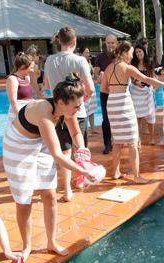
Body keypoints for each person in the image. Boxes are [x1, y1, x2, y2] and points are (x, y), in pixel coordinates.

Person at [3, 78, 97, 260]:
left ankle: (51, 242)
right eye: (76, 106)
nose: (79, 109)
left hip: (40, 143)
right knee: (24, 200)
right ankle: (27, 246)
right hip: (18, 146)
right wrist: (84, 171)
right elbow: (58, 155)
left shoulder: (67, 108)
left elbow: (76, 133)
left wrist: (82, 152)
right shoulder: (44, 112)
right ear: (61, 102)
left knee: (49, 195)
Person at [101, 41, 164, 183]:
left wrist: (115, 91)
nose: (131, 55)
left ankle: (116, 172)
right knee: (133, 142)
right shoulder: (127, 68)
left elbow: (103, 89)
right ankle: (136, 176)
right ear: (124, 52)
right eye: (130, 52)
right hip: (123, 103)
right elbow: (148, 79)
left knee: (117, 142)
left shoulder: (109, 68)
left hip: (112, 104)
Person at [43, 26, 95, 202]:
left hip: (56, 110)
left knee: (63, 151)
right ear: (74, 41)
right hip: (76, 110)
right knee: (79, 147)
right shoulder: (79, 61)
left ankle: (66, 190)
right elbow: (91, 89)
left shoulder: (49, 60)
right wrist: (82, 100)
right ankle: (79, 180)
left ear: (59, 41)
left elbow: (48, 86)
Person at [95, 34, 119, 154]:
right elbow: (95, 74)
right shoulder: (100, 57)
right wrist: (99, 78)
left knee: (118, 118)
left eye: (112, 43)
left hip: (118, 93)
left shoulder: (120, 57)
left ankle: (119, 142)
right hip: (105, 93)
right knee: (106, 119)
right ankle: (108, 144)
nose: (110, 45)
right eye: (108, 43)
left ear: (117, 43)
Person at [130, 44, 157, 144]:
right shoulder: (133, 64)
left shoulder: (149, 62)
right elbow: (131, 77)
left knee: (150, 116)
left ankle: (152, 137)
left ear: (144, 51)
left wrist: (152, 84)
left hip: (147, 91)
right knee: (137, 117)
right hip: (136, 92)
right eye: (136, 52)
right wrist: (136, 82)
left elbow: (152, 75)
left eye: (140, 51)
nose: (138, 54)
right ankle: (138, 139)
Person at [5, 52, 35, 123]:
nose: (32, 70)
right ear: (23, 66)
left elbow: (28, 97)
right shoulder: (12, 79)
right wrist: (20, 116)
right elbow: (13, 100)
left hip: (28, 112)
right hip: (18, 113)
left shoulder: (27, 77)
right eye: (31, 68)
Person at [80, 47, 99, 134]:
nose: (88, 54)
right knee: (86, 109)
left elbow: (94, 76)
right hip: (85, 88)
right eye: (86, 52)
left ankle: (92, 128)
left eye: (88, 52)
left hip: (92, 87)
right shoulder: (80, 63)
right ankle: (85, 130)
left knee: (92, 109)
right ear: (81, 53)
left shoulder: (89, 63)